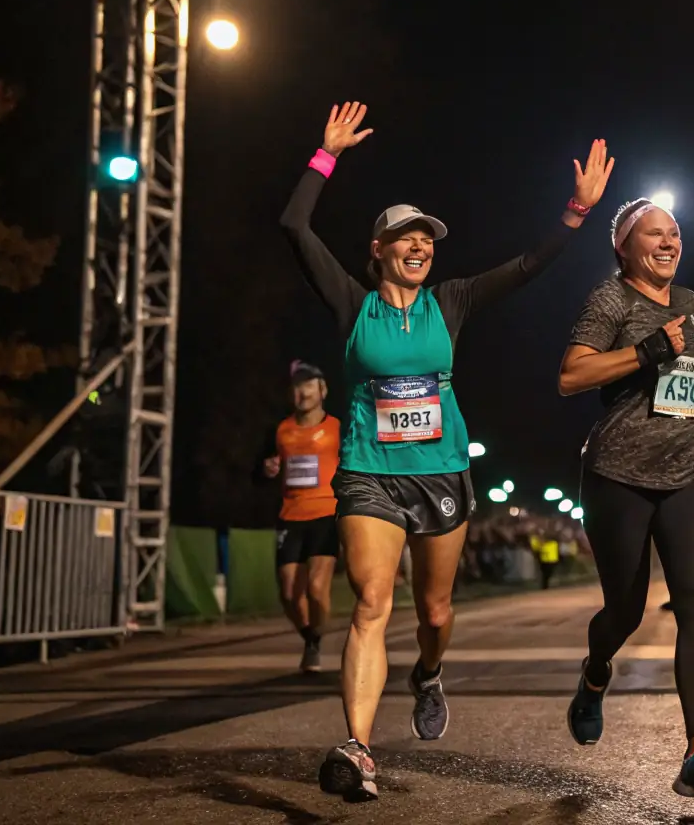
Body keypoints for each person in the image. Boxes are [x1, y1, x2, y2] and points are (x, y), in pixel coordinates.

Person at [280, 101, 612, 801]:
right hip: (370, 474)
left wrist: (575, 215)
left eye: (426, 237)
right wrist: (326, 155)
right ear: (378, 250)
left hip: (441, 474)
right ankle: (357, 748)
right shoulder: (350, 303)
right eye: (404, 236)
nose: (419, 244)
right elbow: (294, 226)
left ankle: (428, 673)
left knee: (433, 614)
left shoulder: (452, 301)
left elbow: (526, 267)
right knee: (371, 603)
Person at [558, 196, 694, 803]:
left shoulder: (689, 302)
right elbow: (571, 376)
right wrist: (644, 352)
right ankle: (594, 673)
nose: (668, 243)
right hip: (619, 473)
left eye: (675, 233)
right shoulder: (609, 300)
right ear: (625, 246)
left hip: (690, 468)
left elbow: (681, 380)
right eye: (654, 234)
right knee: (626, 611)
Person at [258, 360, 342, 673]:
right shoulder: (281, 430)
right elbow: (264, 467)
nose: (302, 393)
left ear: (323, 390)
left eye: (308, 386)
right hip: (290, 515)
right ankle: (311, 637)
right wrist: (268, 469)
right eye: (297, 387)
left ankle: (316, 639)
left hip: (326, 513)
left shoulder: (337, 428)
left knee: (317, 589)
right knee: (288, 592)